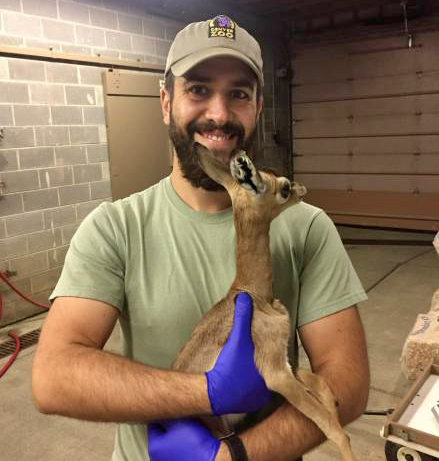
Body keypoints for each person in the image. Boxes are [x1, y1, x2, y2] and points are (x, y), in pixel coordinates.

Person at [32, 14, 370, 461]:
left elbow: (348, 380)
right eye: (198, 89)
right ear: (166, 102)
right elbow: (54, 375)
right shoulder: (115, 228)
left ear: (259, 105)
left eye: (238, 94)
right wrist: (205, 393)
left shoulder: (307, 227)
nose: (219, 114)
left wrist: (232, 456)